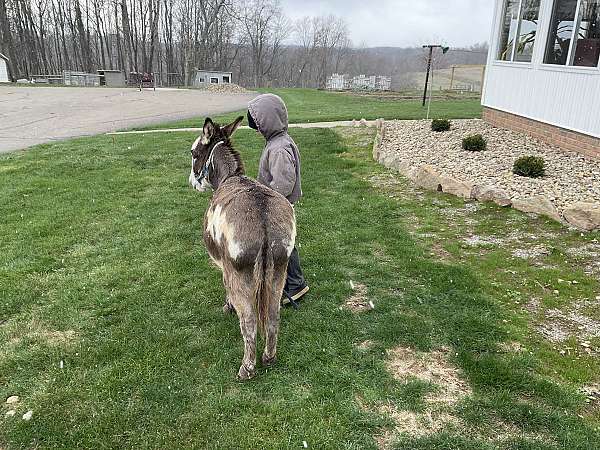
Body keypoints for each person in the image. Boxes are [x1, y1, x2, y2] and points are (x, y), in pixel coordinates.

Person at [247, 94, 309, 305]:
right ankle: (287, 280)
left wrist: (266, 202)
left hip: (278, 206)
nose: (257, 131)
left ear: (267, 121)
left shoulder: (279, 148)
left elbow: (283, 184)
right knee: (282, 244)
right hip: (276, 204)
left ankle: (296, 285)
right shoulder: (276, 142)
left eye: (258, 125)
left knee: (284, 245)